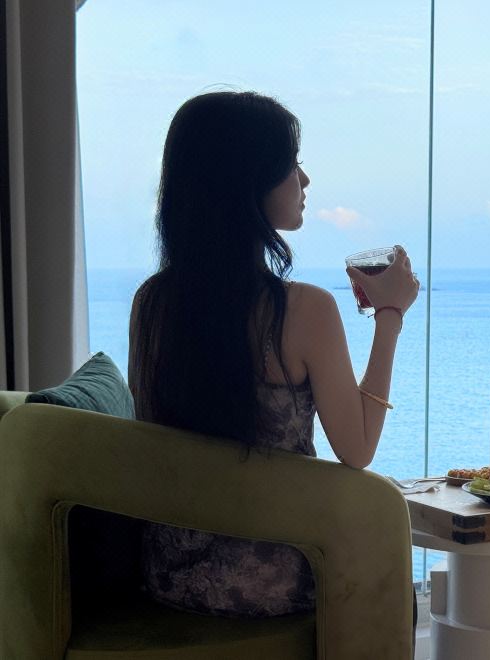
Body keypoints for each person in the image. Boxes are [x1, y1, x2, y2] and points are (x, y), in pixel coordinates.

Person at [128, 90, 419, 617]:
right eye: (290, 165)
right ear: (247, 185)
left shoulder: (152, 303)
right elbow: (357, 449)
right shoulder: (303, 309)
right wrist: (390, 315)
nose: (304, 180)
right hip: (272, 581)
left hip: (169, 574)